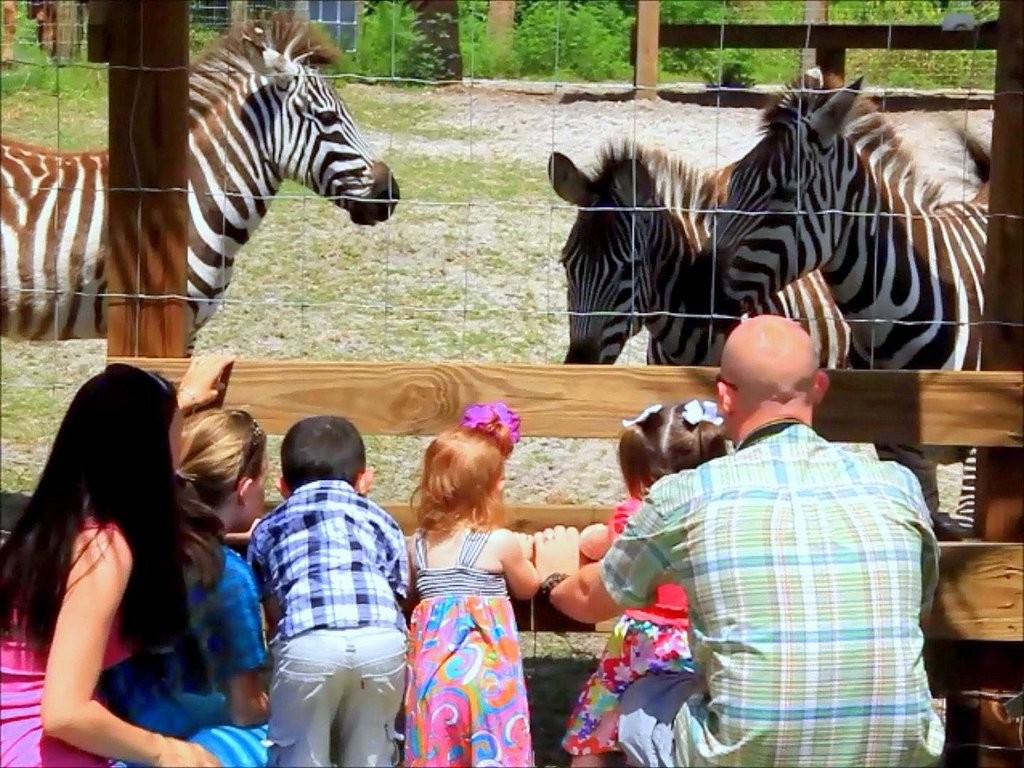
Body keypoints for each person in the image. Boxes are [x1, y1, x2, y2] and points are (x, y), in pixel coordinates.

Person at [534, 315, 944, 767]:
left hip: (744, 753)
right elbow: (917, 608)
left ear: (724, 396)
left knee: (639, 696)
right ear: (820, 387)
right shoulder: (896, 486)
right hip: (898, 750)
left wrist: (553, 577)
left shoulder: (688, 496)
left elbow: (594, 599)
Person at [0, 356, 232, 768]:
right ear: (151, 453)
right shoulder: (102, 552)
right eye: (176, 438)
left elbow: (122, 432)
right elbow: (65, 712)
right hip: (31, 748)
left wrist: (184, 399)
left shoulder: (48, 528)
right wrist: (171, 752)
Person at [100, 408, 271, 767]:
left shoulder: (126, 548)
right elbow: (244, 710)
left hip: (117, 735)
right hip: (191, 739)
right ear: (243, 489)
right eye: (263, 481)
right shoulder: (227, 574)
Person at [563, 400, 727, 767]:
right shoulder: (717, 517)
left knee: (595, 721)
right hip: (696, 640)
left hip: (642, 643)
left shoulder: (635, 515)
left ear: (638, 473)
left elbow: (598, 547)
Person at [247, 415, 409, 768]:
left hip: (308, 643)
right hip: (380, 641)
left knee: (298, 754)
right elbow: (397, 592)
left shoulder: (270, 527)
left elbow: (271, 607)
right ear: (365, 480)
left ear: (281, 486)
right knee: (372, 752)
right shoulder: (381, 520)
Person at [403, 401, 541, 768]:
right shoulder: (500, 542)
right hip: (489, 677)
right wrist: (525, 554)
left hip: (435, 678)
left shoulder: (417, 545)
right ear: (490, 488)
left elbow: (414, 591)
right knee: (496, 751)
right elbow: (527, 586)